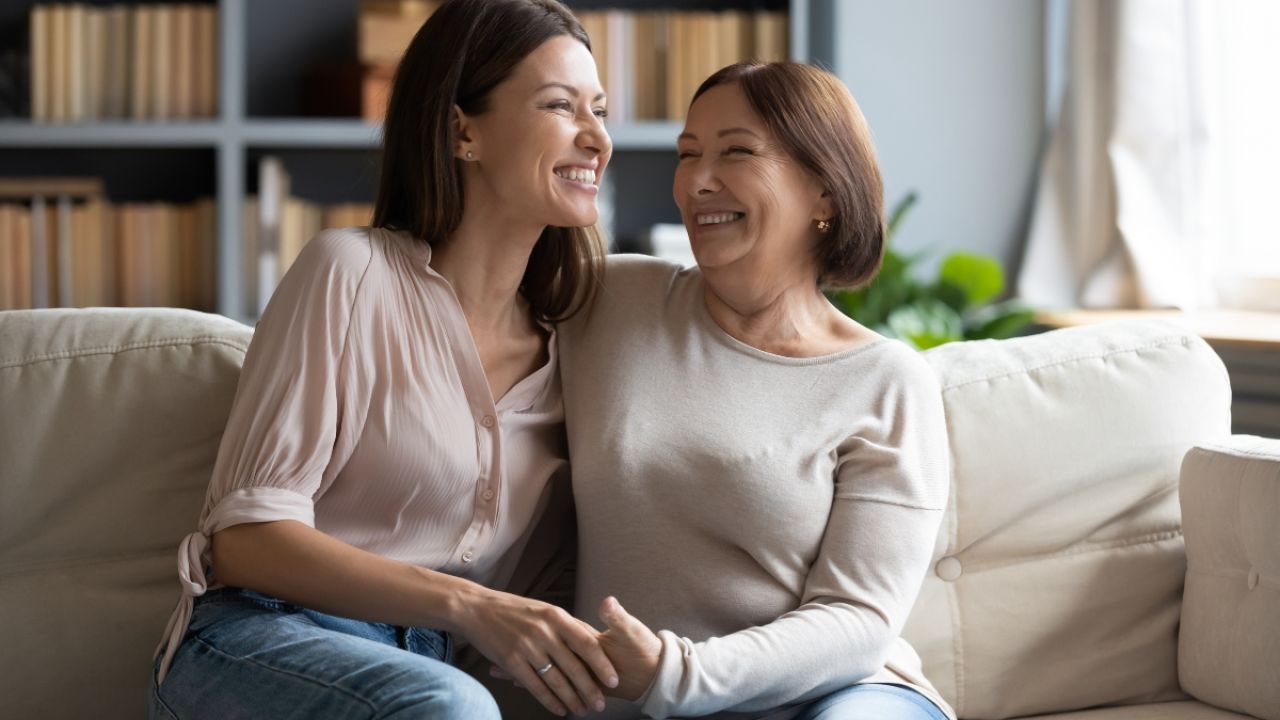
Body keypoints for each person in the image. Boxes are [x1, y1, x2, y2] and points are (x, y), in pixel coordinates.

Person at [147, 1, 620, 717]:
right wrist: (472, 607)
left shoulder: (573, 347)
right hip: (263, 638)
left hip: (427, 668)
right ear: (464, 130)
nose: (597, 139)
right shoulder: (351, 272)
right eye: (561, 106)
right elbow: (246, 541)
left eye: (601, 110)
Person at [552, 62, 957, 719]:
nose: (697, 181)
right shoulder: (608, 299)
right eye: (689, 154)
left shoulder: (887, 382)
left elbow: (857, 618)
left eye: (736, 151)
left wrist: (674, 672)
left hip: (841, 695)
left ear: (824, 191)